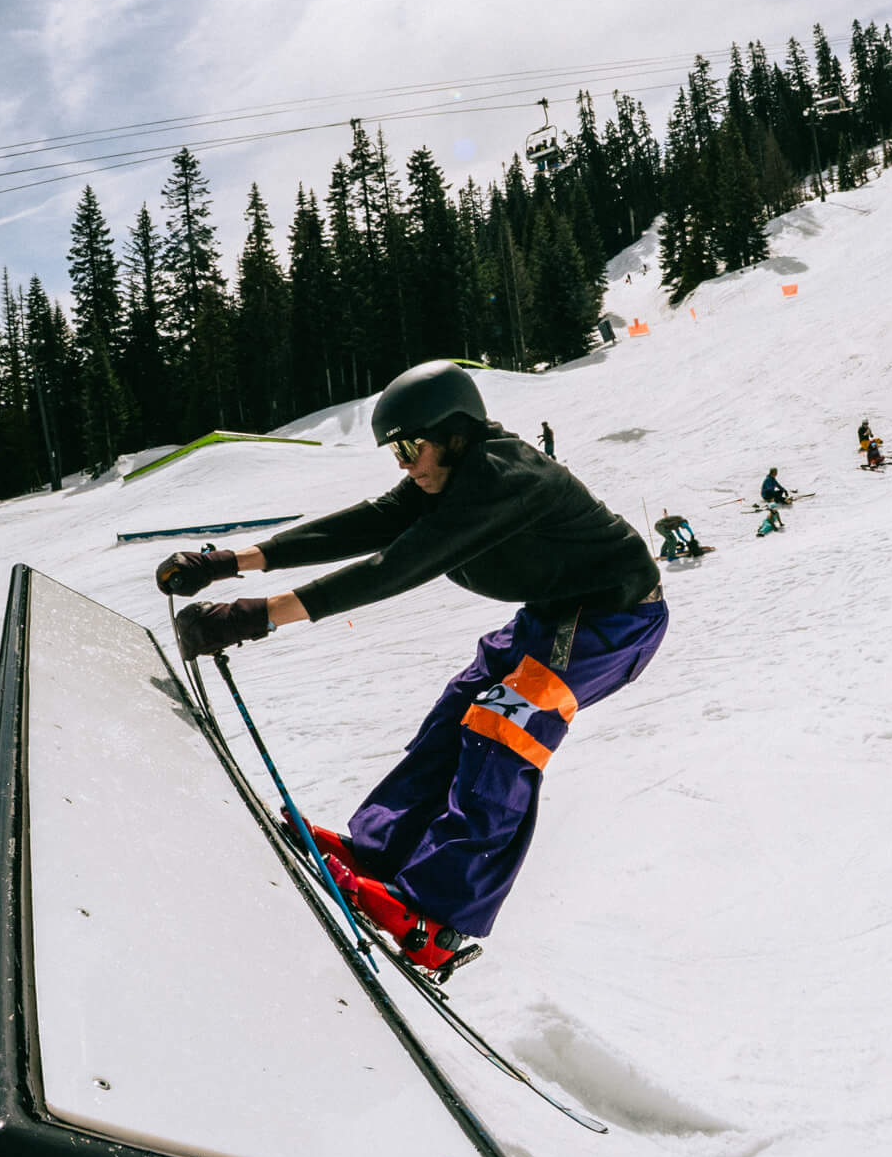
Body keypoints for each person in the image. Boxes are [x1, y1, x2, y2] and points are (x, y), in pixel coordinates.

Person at [159, 360, 668, 975]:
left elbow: (397, 566)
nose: (402, 463)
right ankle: (382, 857)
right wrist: (226, 563)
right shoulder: (448, 477)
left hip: (610, 623)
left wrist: (257, 616)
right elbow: (369, 523)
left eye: (407, 447)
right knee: (457, 712)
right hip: (552, 616)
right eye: (393, 451)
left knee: (502, 728)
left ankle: (438, 919)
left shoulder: (503, 478)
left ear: (454, 433)